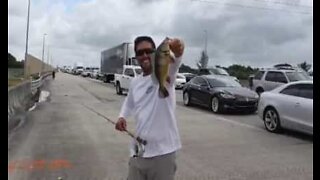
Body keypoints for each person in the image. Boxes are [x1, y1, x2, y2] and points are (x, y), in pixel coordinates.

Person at [115, 36, 184, 180]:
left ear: (155, 53)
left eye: (148, 51)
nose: (144, 55)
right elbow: (129, 103)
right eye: (140, 53)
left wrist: (178, 48)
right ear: (136, 57)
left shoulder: (166, 73)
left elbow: (176, 57)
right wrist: (122, 117)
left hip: (163, 154)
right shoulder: (135, 82)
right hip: (139, 152)